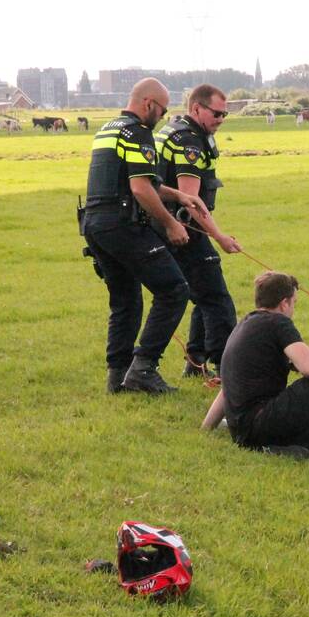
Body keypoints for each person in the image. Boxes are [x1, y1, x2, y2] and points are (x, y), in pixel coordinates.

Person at [82, 77, 210, 394]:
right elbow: (139, 189)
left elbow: (140, 181)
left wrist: (179, 196)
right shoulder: (138, 133)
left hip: (95, 225)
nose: (163, 117)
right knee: (174, 289)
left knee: (125, 301)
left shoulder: (108, 129)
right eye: (163, 110)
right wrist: (170, 223)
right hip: (123, 225)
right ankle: (144, 368)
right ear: (148, 103)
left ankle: (118, 377)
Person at [205, 271, 309, 468]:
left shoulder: (244, 325)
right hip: (263, 421)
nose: (293, 309)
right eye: (294, 303)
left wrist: (206, 427)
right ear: (284, 303)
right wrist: (296, 359)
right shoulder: (278, 322)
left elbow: (228, 388)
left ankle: (279, 451)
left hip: (243, 431)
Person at [154, 84, 241, 380]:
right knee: (217, 299)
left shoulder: (175, 129)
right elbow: (191, 201)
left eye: (225, 114)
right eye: (216, 113)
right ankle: (226, 367)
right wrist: (220, 237)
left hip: (165, 224)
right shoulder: (189, 140)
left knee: (204, 293)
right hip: (182, 227)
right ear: (196, 109)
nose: (221, 119)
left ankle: (195, 361)